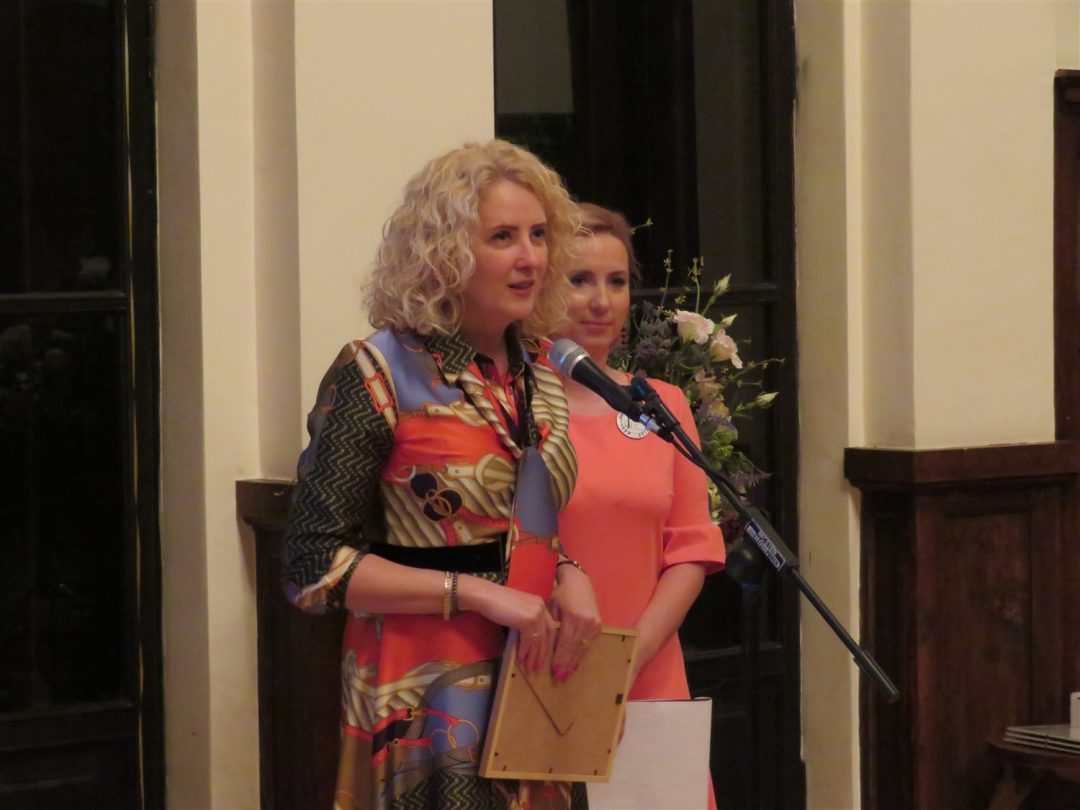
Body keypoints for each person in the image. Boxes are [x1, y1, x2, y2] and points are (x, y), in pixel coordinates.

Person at [282, 140, 601, 810]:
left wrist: (569, 572)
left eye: (539, 235)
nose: (530, 258)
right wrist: (478, 594)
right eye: (503, 237)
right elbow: (312, 569)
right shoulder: (379, 370)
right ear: (445, 253)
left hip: (532, 679)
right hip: (420, 686)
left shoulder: (541, 368)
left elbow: (518, 524)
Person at [554, 203, 726, 804]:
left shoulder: (662, 404)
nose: (601, 301)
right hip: (543, 670)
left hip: (648, 673)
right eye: (579, 279)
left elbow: (692, 548)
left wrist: (626, 662)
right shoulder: (508, 408)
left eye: (617, 281)